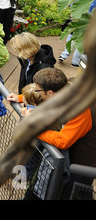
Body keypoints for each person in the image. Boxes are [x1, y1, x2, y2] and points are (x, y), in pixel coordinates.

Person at [27, 68, 96, 200]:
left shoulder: (80, 109)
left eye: (38, 90)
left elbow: (63, 141)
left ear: (51, 93)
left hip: (83, 161)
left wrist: (35, 130)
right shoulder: (66, 87)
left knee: (70, 193)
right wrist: (21, 99)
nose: (37, 93)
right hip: (75, 152)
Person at [58, 0, 96, 67]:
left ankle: (64, 54)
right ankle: (75, 61)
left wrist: (72, 10)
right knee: (84, 35)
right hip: (88, 6)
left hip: (77, 4)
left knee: (74, 31)